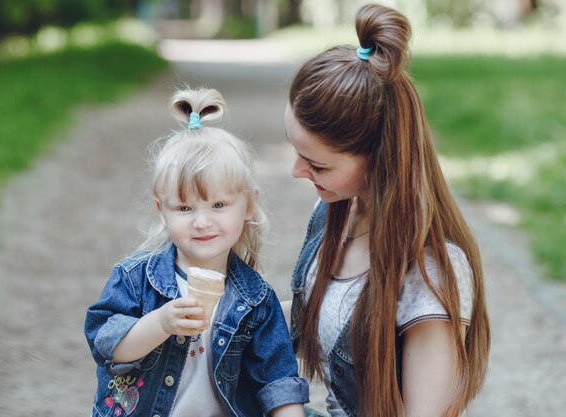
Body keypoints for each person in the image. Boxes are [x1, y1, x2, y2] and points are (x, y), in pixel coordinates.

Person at [282, 4, 491, 417]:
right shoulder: (333, 213)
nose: (296, 171)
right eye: (296, 151)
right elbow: (319, 317)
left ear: (378, 156)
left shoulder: (432, 273)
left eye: (317, 164)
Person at [85, 88, 308, 417]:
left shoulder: (256, 300)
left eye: (219, 205)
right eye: (185, 207)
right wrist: (161, 323)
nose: (202, 222)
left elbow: (277, 383)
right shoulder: (134, 280)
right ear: (162, 210)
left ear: (248, 204)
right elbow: (107, 346)